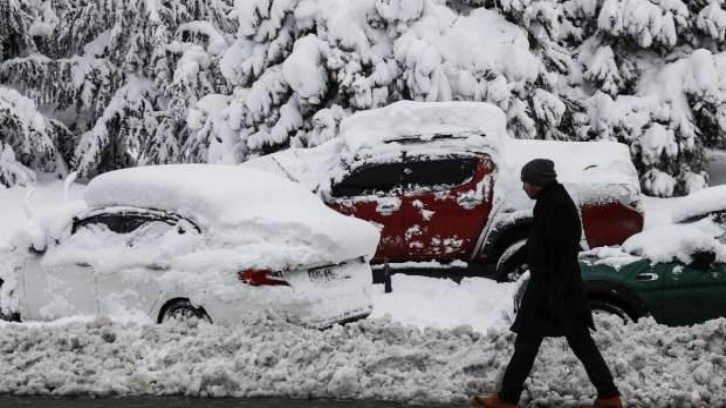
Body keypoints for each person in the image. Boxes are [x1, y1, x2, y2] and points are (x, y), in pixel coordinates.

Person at [471, 159, 622, 408]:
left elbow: (563, 254)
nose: (524, 187)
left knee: (547, 342)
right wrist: (509, 263)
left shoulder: (557, 206)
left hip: (554, 290)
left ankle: (507, 399)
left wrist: (557, 293)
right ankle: (609, 396)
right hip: (553, 288)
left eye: (526, 182)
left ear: (539, 183)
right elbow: (537, 243)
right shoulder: (549, 202)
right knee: (549, 342)